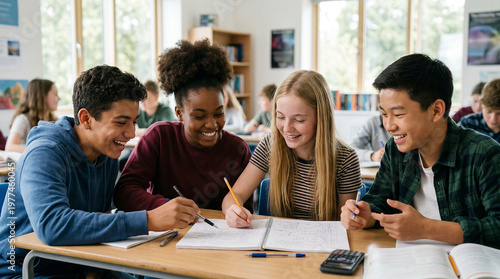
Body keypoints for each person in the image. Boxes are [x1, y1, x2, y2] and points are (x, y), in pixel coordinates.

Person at [0, 65, 201, 278]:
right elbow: (52, 225)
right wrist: (148, 220)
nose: (131, 133)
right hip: (26, 270)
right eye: (121, 122)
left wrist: (93, 271)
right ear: (86, 118)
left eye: (134, 122)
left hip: (76, 260)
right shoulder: (45, 153)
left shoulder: (105, 153)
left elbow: (95, 219)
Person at [340, 53, 500, 249]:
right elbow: (379, 200)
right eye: (383, 114)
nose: (389, 125)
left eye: (398, 114)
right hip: (411, 260)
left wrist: (426, 228)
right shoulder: (395, 150)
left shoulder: (485, 154)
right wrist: (367, 215)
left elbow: (497, 226)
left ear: (436, 111)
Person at [114, 39, 252, 212]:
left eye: (219, 113)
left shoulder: (238, 149)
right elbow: (124, 192)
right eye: (199, 116)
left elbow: (246, 208)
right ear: (179, 113)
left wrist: (239, 214)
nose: (212, 124)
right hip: (167, 233)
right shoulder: (159, 137)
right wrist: (164, 205)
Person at [223, 70, 361, 227]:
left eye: (299, 120)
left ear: (321, 118)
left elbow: (346, 224)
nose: (287, 128)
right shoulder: (271, 145)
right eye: (280, 117)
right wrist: (232, 211)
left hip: (323, 245)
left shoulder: (346, 158)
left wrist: (352, 218)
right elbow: (233, 196)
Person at [5, 79, 59, 153]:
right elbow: (10, 147)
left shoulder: (55, 120)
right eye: (55, 94)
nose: (59, 98)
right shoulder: (23, 119)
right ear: (42, 96)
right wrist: (43, 150)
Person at [458, 79, 500, 143]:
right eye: (488, 112)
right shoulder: (467, 124)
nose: (493, 118)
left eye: (499, 113)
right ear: (482, 106)